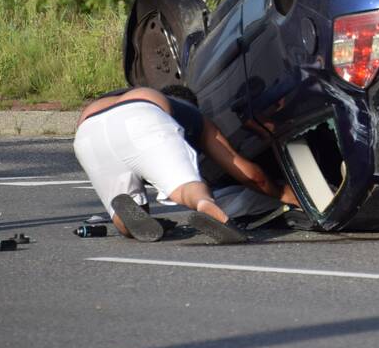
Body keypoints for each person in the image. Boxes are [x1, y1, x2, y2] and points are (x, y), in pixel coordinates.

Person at [73, 85, 298, 243]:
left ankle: (123, 219)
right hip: (141, 116)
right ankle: (205, 206)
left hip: (88, 133)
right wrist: (282, 193)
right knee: (186, 188)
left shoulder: (119, 95)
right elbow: (245, 171)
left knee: (126, 213)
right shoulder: (190, 113)